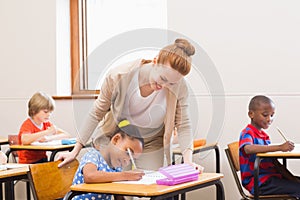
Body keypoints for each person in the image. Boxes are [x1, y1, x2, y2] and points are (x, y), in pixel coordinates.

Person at [58, 38, 203, 172]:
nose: (164, 86)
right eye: (163, 78)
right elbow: (97, 113)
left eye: (171, 83)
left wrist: (188, 161)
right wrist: (75, 150)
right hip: (121, 137)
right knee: (120, 188)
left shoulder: (180, 86)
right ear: (155, 61)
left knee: (152, 188)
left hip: (152, 142)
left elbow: (183, 124)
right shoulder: (118, 76)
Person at [239, 95, 300, 197]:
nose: (269, 119)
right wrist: (279, 147)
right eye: (265, 115)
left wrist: (292, 178)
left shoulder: (265, 137)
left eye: (272, 115)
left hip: (271, 178)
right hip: (258, 183)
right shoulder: (247, 133)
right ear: (251, 114)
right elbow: (248, 148)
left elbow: (275, 163)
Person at [69, 120, 144, 200]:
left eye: (132, 159)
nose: (127, 161)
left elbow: (118, 196)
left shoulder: (117, 168)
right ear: (116, 140)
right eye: (128, 153)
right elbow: (89, 176)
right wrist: (125, 175)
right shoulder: (93, 155)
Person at [18, 91, 71, 164]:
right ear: (34, 111)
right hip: (28, 162)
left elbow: (66, 135)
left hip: (42, 160)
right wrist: (47, 132)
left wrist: (49, 138)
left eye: (50, 112)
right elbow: (25, 139)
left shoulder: (47, 124)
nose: (49, 115)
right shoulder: (28, 124)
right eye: (45, 112)